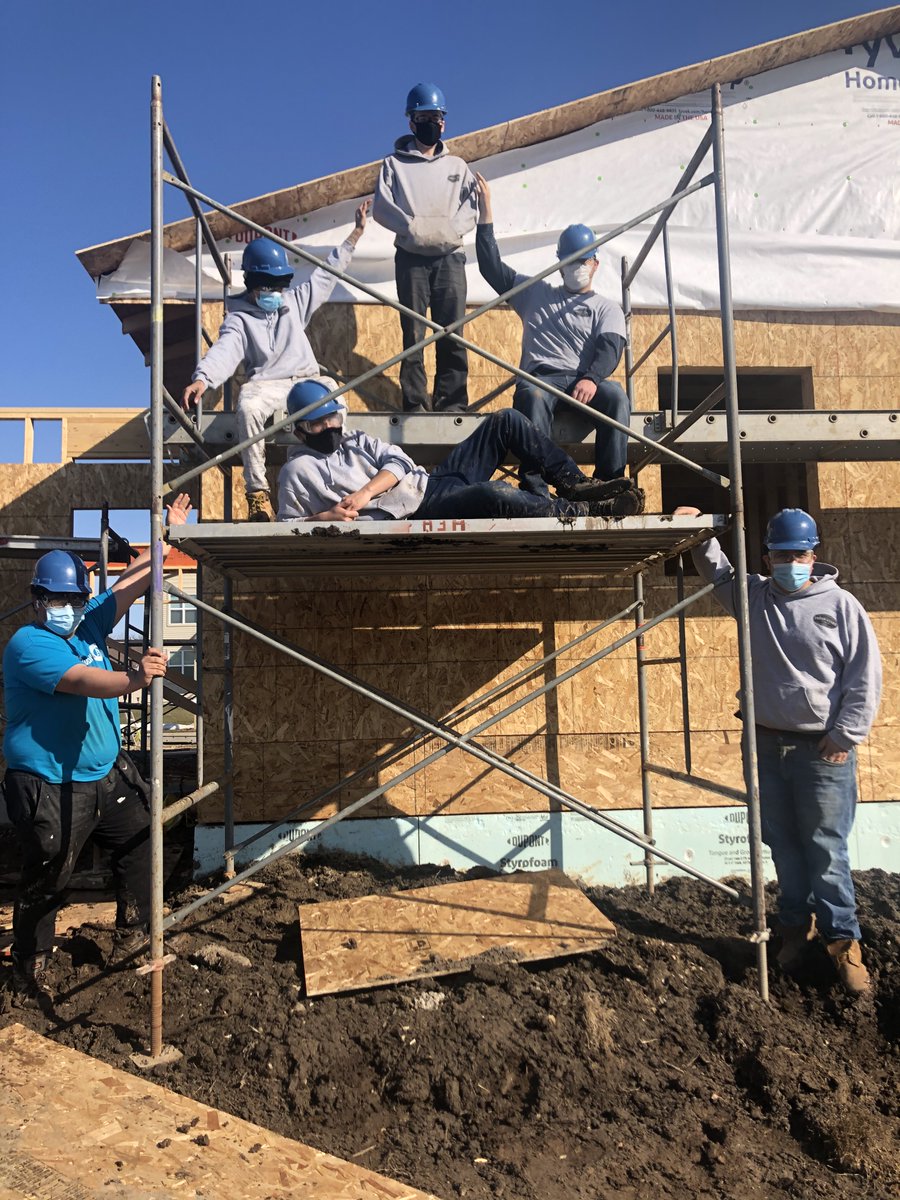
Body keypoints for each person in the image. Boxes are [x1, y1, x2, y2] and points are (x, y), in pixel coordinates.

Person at [675, 505, 882, 995]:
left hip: (823, 750)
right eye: (782, 554)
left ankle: (843, 945)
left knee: (825, 851)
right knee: (784, 847)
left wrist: (845, 735)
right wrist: (699, 530)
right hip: (766, 746)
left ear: (815, 555)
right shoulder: (754, 597)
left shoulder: (841, 606)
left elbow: (864, 677)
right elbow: (717, 570)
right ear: (768, 558)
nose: (792, 561)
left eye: (800, 553)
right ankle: (795, 930)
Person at [2, 493, 193, 1001]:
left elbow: (132, 583)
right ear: (38, 599)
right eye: (56, 601)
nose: (67, 609)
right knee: (50, 874)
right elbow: (86, 681)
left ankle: (134, 933)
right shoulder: (28, 644)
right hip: (50, 784)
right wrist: (134, 678)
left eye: (75, 600)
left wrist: (165, 534)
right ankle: (30, 965)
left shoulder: (88, 622)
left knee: (139, 843)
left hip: (105, 773)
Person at [182, 205, 370, 522]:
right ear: (253, 283)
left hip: (306, 379)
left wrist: (355, 234)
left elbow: (327, 275)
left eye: (278, 286)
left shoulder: (294, 302)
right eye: (267, 287)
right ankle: (257, 496)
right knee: (248, 409)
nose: (274, 293)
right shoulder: (239, 319)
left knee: (334, 395)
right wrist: (203, 379)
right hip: (267, 384)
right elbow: (225, 351)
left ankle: (338, 476)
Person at [474, 173, 635, 503]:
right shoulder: (535, 292)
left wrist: (591, 378)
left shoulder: (606, 307)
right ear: (559, 265)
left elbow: (609, 347)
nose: (578, 267)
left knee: (616, 396)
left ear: (595, 263)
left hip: (583, 383)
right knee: (530, 396)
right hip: (541, 380)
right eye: (571, 261)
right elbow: (491, 268)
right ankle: (535, 487)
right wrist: (485, 214)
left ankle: (609, 482)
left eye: (584, 261)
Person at [277, 380, 644, 522]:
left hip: (429, 484)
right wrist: (324, 518)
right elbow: (286, 527)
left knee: (506, 420)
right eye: (316, 425)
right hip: (413, 511)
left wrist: (364, 492)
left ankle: (574, 483)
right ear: (298, 430)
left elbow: (399, 461)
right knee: (493, 493)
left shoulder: (355, 440)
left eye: (331, 420)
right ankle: (584, 510)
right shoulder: (297, 472)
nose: (328, 429)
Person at [373, 83, 478, 414]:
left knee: (453, 333)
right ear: (410, 121)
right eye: (422, 117)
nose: (429, 123)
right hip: (411, 259)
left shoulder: (458, 167)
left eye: (434, 117)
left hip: (450, 258)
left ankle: (452, 404)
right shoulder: (393, 166)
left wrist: (448, 231)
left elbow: (471, 208)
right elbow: (382, 207)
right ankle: (415, 404)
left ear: (443, 122)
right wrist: (412, 229)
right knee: (414, 335)